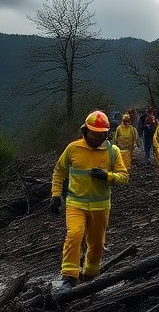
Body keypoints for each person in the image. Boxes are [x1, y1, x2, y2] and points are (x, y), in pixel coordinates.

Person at [50, 110, 130, 291]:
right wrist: (55, 196)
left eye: (99, 135)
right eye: (92, 134)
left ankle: (90, 275)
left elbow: (124, 176)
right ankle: (68, 278)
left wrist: (108, 176)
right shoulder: (73, 148)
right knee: (74, 235)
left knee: (97, 243)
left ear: (106, 134)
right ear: (85, 131)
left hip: (100, 206)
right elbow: (59, 171)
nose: (95, 138)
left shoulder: (112, 151)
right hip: (75, 204)